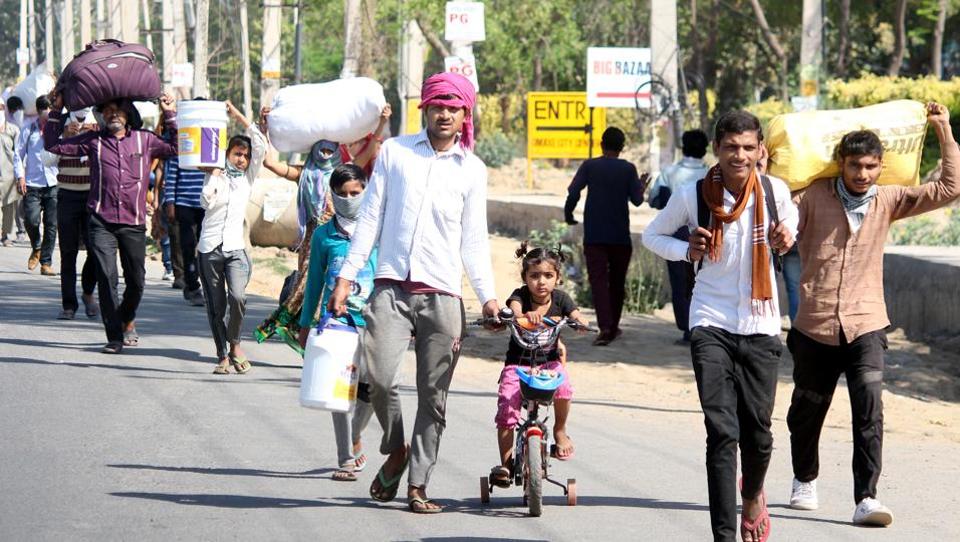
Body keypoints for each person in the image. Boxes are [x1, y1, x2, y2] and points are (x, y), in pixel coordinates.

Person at [328, 72, 499, 514]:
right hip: (390, 287)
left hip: (443, 295)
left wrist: (489, 297)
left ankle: (419, 484)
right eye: (437, 106)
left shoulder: (473, 169)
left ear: (465, 115)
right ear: (425, 109)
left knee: (433, 395)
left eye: (453, 107)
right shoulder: (396, 153)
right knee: (380, 379)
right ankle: (396, 448)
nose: (445, 114)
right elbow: (370, 219)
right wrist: (347, 277)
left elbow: (474, 240)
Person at [786, 103, 959, 527]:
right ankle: (804, 478)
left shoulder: (889, 199)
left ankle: (866, 496)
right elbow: (782, 217)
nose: (861, 174)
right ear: (840, 165)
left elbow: (949, 188)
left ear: (882, 166)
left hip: (866, 324)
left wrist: (944, 131)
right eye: (854, 166)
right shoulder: (810, 197)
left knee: (870, 410)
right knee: (806, 410)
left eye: (869, 166)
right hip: (815, 324)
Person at [642, 110, 797, 542]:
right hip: (710, 321)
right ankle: (724, 536)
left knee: (760, 435)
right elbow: (652, 236)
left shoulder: (774, 192)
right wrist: (685, 249)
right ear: (717, 149)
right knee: (722, 432)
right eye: (731, 147)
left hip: (762, 324)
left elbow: (792, 226)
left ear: (761, 150)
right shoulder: (693, 195)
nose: (740, 156)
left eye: (749, 148)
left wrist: (787, 236)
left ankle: (753, 496)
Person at [44, 91, 178, 354]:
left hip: (133, 221)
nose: (112, 114)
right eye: (106, 111)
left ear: (128, 115)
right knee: (106, 278)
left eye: (117, 110)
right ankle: (114, 336)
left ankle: (125, 317)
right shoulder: (94, 141)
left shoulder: (145, 140)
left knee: (137, 281)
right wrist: (56, 112)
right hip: (100, 220)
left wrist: (170, 112)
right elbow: (54, 145)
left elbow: (176, 147)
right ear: (101, 116)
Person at [297, 163, 380, 482]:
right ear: (332, 196)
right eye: (342, 194)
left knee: (375, 387)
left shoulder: (378, 230)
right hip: (336, 323)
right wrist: (306, 323)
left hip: (373, 320)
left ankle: (356, 433)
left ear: (366, 191)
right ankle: (346, 457)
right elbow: (315, 281)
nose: (349, 198)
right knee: (339, 390)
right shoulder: (323, 236)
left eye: (355, 193)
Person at [488, 242, 589, 488]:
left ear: (557, 278)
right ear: (525, 278)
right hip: (518, 366)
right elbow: (513, 309)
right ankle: (506, 462)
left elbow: (575, 315)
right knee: (507, 408)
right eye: (534, 276)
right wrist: (519, 315)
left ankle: (560, 431)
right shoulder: (520, 296)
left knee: (564, 388)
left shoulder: (561, 299)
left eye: (548, 275)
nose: (541, 282)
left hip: (549, 365)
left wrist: (580, 322)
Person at [257, 105, 343, 350]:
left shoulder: (343, 176)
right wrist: (265, 130)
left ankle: (319, 336)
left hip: (338, 239)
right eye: (321, 149)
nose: (325, 153)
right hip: (312, 239)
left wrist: (380, 125)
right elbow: (271, 164)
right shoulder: (304, 173)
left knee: (333, 285)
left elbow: (368, 155)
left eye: (330, 149)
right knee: (308, 284)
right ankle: (299, 331)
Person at [196, 101, 266, 375]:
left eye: (245, 156)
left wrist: (236, 113)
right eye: (237, 154)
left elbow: (260, 142)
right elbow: (205, 203)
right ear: (226, 154)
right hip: (210, 249)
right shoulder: (215, 175)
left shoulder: (247, 178)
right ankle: (222, 354)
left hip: (236, 249)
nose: (242, 159)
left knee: (238, 298)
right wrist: (214, 175)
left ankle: (235, 342)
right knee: (216, 306)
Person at [564, 127, 648, 346]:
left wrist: (569, 213)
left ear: (602, 145)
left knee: (599, 282)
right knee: (617, 283)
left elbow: (573, 192)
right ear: (622, 148)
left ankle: (606, 327)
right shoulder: (628, 169)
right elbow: (637, 201)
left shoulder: (590, 166)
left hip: (594, 236)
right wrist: (641, 185)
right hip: (620, 237)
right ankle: (613, 326)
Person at [648, 129, 710, 344]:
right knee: (703, 281)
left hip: (675, 236)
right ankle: (702, 326)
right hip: (706, 237)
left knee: (679, 282)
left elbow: (656, 200)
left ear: (683, 147)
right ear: (706, 149)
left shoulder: (668, 173)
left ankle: (686, 328)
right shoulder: (712, 174)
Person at [55, 109, 99, 320]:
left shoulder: (99, 122)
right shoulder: (61, 123)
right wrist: (65, 138)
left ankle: (88, 292)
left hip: (92, 196)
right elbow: (46, 158)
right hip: (67, 195)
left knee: (96, 250)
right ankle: (69, 304)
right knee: (68, 252)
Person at [162, 105, 208, 306]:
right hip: (184, 203)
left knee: (206, 246)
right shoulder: (181, 145)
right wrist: (170, 202)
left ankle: (205, 283)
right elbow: (171, 175)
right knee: (188, 245)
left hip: (205, 202)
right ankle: (192, 286)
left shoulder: (211, 145)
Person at [14, 96, 58, 276]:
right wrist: (20, 177)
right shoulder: (28, 130)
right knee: (31, 220)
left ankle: (46, 263)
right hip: (32, 183)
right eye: (46, 109)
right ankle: (37, 247)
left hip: (53, 182)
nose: (49, 112)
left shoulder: (57, 129)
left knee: (51, 225)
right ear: (40, 111)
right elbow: (18, 154)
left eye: (51, 108)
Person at [0, 100, 21, 247]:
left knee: (8, 208)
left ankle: (5, 235)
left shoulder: (13, 130)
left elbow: (19, 154)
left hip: (8, 175)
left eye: (1, 107)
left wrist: (20, 175)